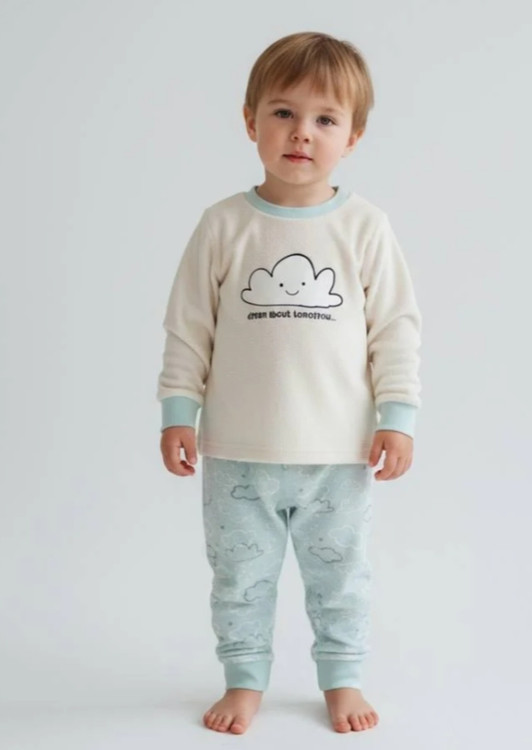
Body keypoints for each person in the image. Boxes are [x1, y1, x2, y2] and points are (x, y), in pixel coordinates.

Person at [156, 31, 422, 734]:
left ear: (352, 137)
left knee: (342, 576)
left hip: (339, 455)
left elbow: (395, 329)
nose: (302, 132)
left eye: (325, 119)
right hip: (237, 452)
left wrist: (397, 416)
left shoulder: (365, 227)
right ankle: (244, 678)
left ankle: (342, 677)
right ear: (251, 122)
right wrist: (178, 411)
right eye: (283, 113)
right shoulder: (224, 225)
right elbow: (188, 327)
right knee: (239, 579)